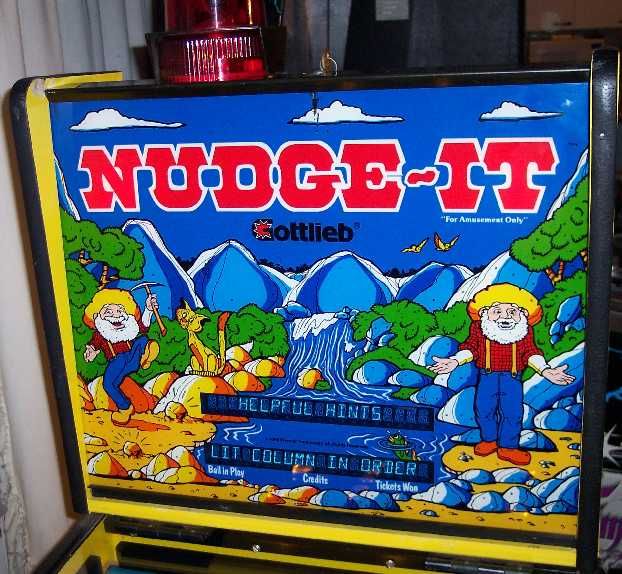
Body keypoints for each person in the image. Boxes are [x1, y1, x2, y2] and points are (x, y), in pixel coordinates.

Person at [430, 283, 574, 465]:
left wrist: (545, 370)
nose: (505, 316)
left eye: (512, 311)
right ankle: (489, 440)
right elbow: (472, 348)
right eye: (497, 311)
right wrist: (455, 361)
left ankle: (508, 447)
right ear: (484, 313)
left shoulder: (523, 331)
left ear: (523, 314)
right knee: (484, 409)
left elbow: (530, 352)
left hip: (512, 378)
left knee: (512, 412)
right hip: (487, 376)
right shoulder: (479, 329)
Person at [83, 289, 160, 424]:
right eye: (108, 312)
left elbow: (143, 326)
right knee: (109, 384)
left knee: (142, 339)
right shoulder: (101, 333)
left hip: (132, 356)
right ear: (96, 316)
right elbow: (94, 346)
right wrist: (91, 352)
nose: (116, 315)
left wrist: (148, 309)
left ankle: (145, 355)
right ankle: (125, 408)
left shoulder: (129, 328)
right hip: (116, 362)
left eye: (120, 310)